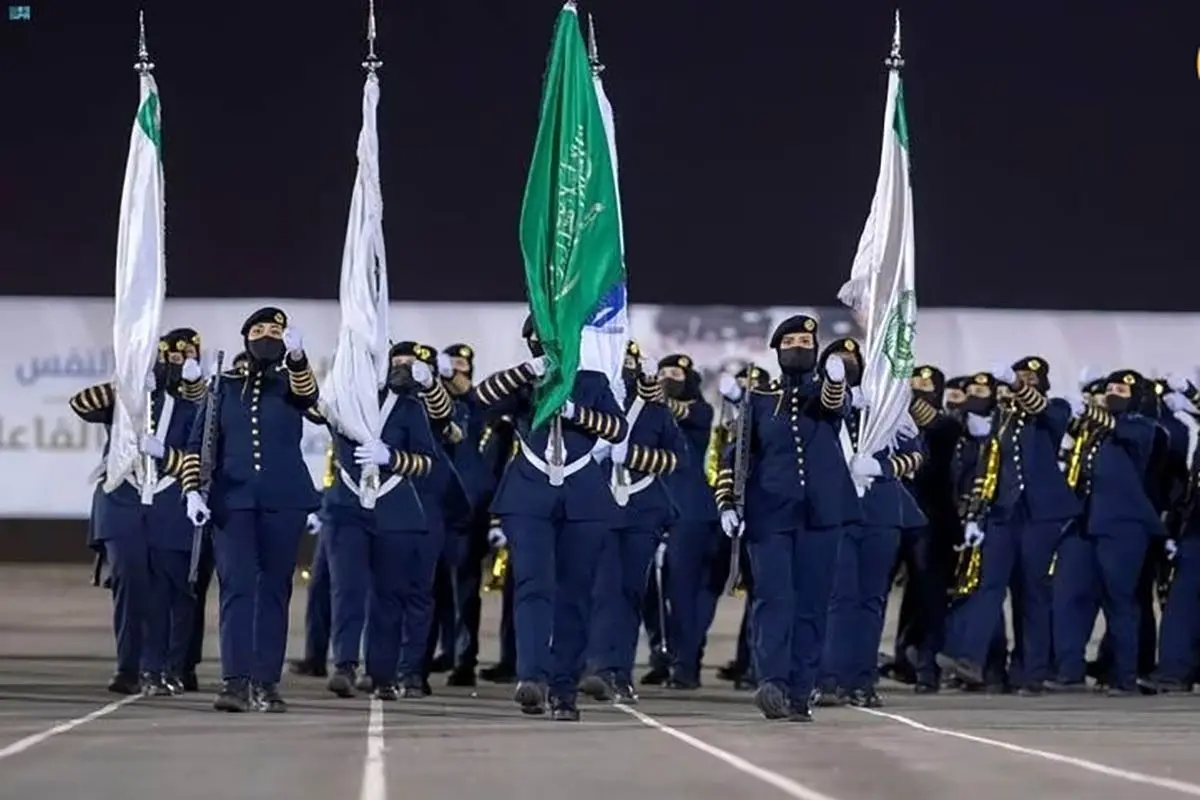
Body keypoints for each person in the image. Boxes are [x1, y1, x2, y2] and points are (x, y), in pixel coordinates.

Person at [474, 315, 628, 721]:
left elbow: (616, 428)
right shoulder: (524, 381)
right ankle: (533, 679)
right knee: (532, 585)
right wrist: (526, 373)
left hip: (583, 497)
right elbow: (479, 399)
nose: (548, 343)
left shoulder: (592, 380)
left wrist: (577, 411)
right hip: (529, 494)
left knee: (575, 594)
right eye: (539, 337)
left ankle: (564, 690)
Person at [714, 314, 857, 722]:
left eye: (805, 341)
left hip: (822, 514)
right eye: (790, 340)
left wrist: (834, 381)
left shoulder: (825, 396)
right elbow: (736, 456)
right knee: (774, 600)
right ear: (777, 350)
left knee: (812, 605)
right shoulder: (759, 401)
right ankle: (772, 681)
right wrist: (727, 503)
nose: (798, 346)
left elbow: (835, 406)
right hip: (769, 515)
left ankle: (800, 690)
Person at [181, 307, 321, 713]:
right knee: (237, 589)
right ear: (245, 338)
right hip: (233, 502)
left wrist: (297, 358)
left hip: (284, 501)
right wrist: (193, 491)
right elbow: (197, 444)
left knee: (274, 591)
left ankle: (266, 682)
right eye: (257, 329)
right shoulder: (222, 387)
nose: (265, 335)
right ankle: (235, 681)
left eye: (274, 330)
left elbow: (310, 397)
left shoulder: (291, 383)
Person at [69, 327, 206, 696]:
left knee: (165, 588)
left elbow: (198, 458)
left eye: (183, 359)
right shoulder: (126, 403)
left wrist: (167, 456)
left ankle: (157, 668)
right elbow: (79, 404)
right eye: (167, 358)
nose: (172, 365)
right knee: (130, 584)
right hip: (121, 503)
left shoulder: (193, 408)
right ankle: (128, 667)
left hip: (167, 503)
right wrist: (122, 387)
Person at [940, 357, 1079, 695]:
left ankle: (1030, 672)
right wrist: (976, 514)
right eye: (1020, 377)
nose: (1025, 382)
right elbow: (987, 466)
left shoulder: (1056, 410)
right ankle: (971, 659)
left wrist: (1017, 388)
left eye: (1032, 378)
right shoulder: (1001, 416)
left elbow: (1041, 410)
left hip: (1040, 517)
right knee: (987, 586)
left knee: (1031, 594)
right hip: (1002, 514)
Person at [321, 341, 438, 701]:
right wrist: (297, 362)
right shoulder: (340, 402)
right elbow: (310, 403)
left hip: (395, 510)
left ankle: (383, 674)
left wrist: (392, 457)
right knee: (348, 589)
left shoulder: (408, 407)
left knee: (390, 595)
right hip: (346, 507)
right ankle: (344, 664)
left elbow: (426, 462)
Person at [819, 338, 926, 708]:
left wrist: (881, 467)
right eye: (838, 360)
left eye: (851, 358)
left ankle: (861, 679)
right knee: (839, 597)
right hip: (836, 511)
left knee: (871, 600)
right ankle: (830, 677)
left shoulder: (887, 407)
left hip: (881, 512)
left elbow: (914, 456)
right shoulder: (819, 405)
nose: (847, 363)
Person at [583, 340, 687, 703]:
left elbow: (677, 459)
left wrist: (635, 455)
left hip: (642, 510)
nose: (625, 367)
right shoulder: (592, 405)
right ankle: (595, 665)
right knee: (601, 590)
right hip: (599, 509)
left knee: (629, 593)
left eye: (630, 361)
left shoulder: (655, 412)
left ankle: (619, 671)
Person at [655, 352, 719, 689]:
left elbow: (676, 409)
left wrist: (652, 392)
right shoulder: (654, 413)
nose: (668, 378)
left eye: (676, 374)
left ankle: (686, 663)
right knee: (653, 593)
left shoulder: (700, 410)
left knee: (684, 595)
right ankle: (664, 657)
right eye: (663, 372)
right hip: (656, 508)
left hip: (691, 513)